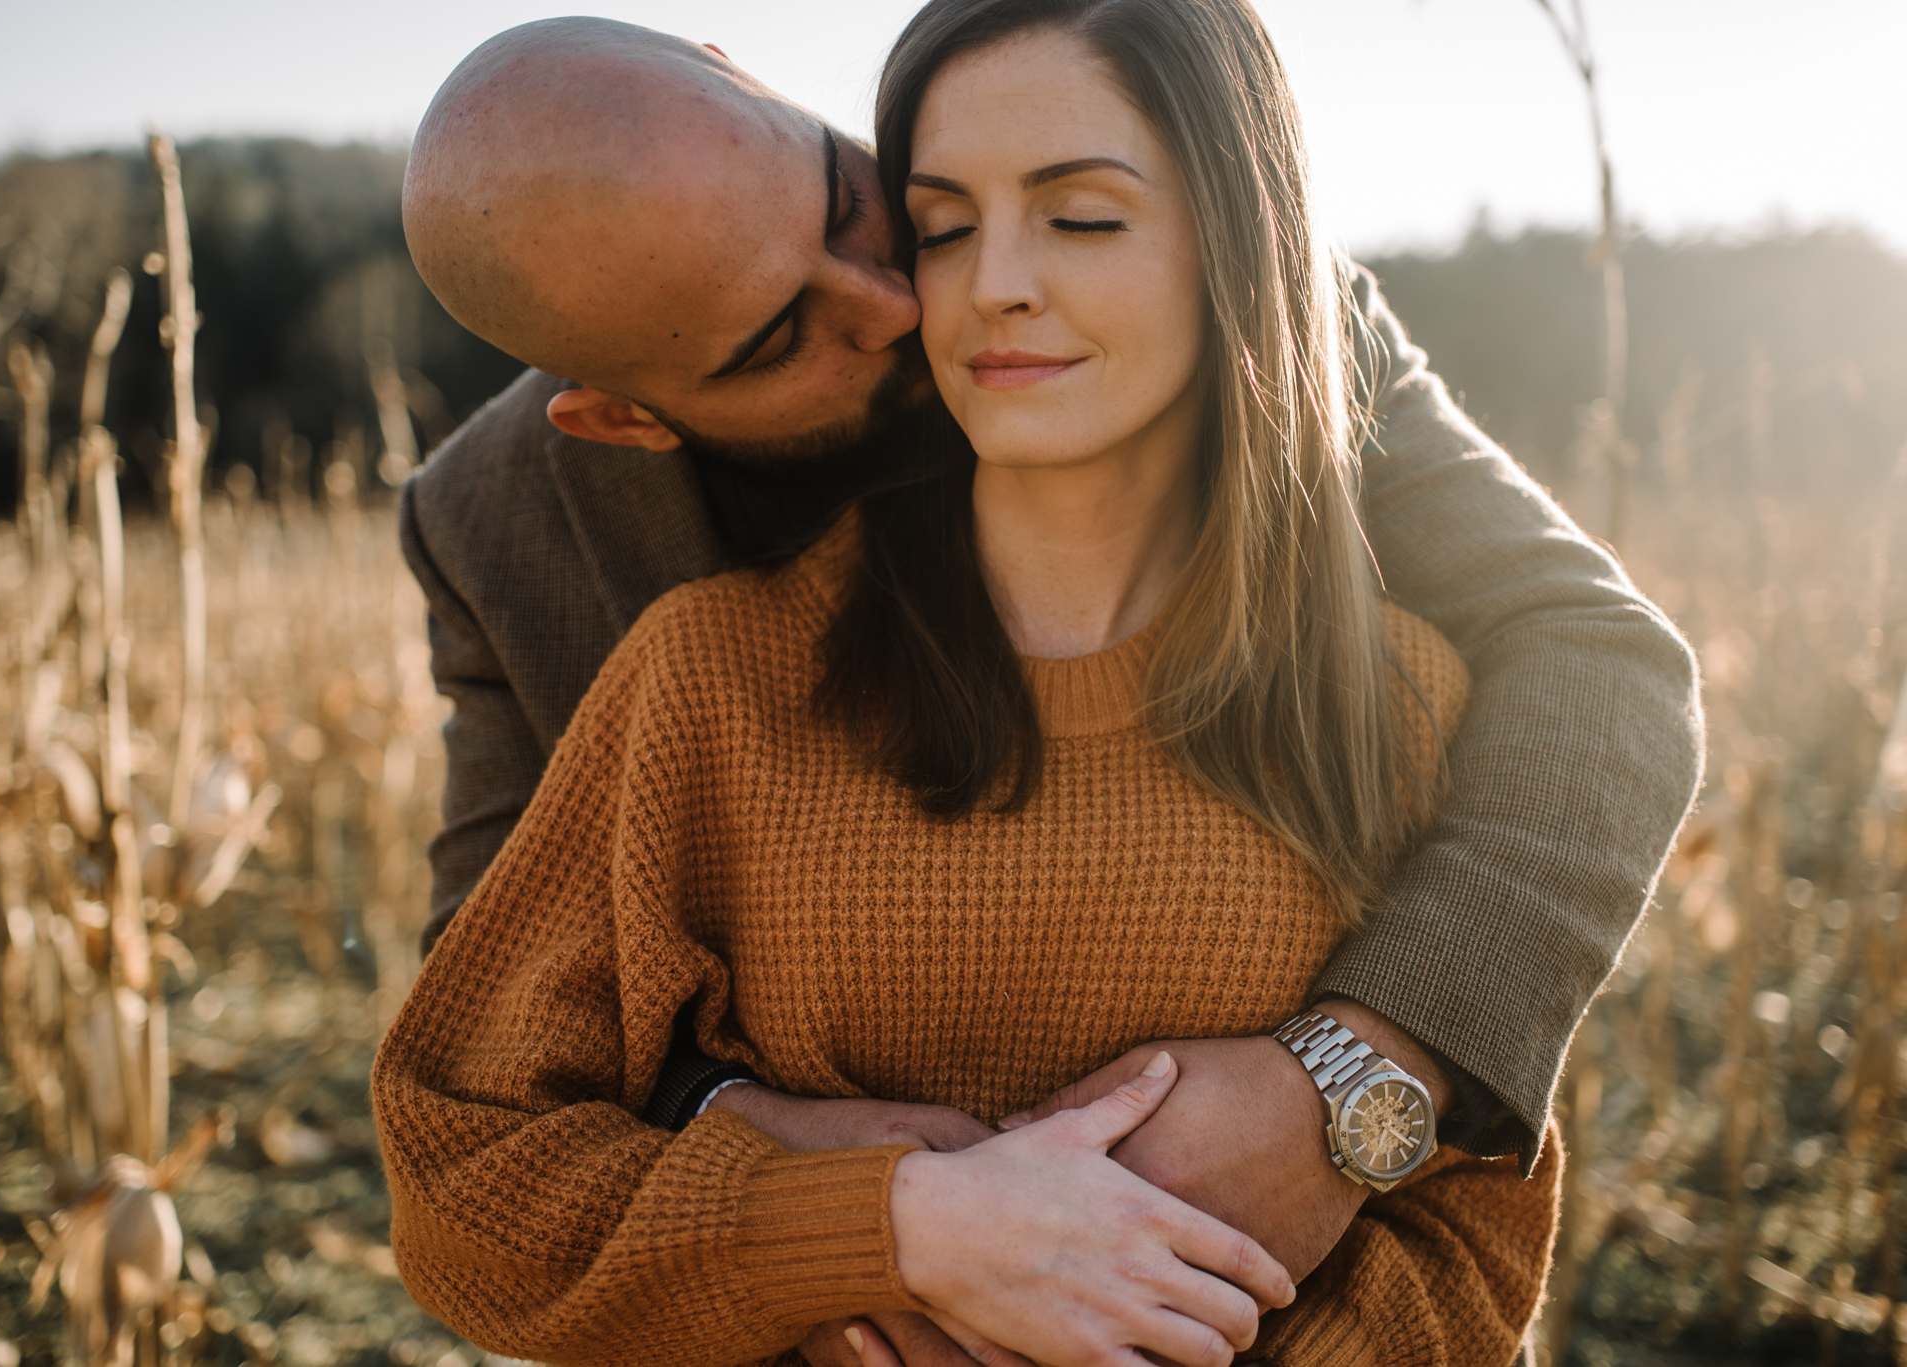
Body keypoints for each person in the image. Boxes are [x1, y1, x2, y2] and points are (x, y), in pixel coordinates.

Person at [373, 1, 1663, 1361]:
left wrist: (1347, 1078)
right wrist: (848, 1212)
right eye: (775, 338)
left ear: (735, 68)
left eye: (853, 207)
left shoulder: (1309, 422)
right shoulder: (543, 560)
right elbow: (501, 1064)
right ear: (624, 418)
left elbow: (1601, 664)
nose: (913, 301)